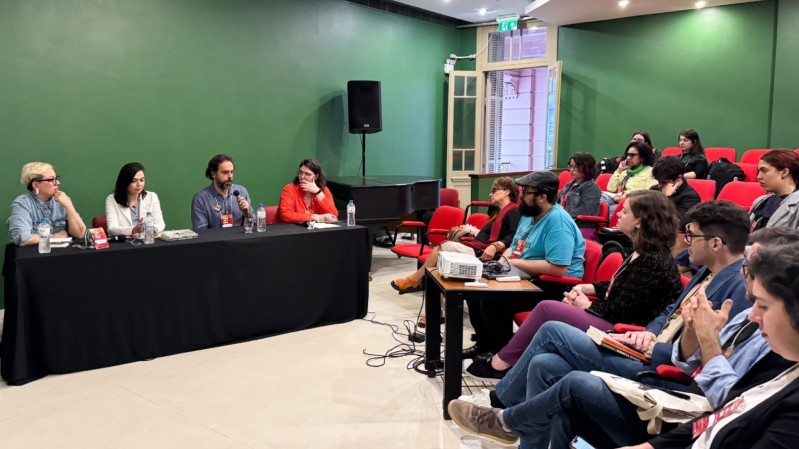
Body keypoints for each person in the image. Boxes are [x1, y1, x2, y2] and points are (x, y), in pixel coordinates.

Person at [447, 201, 758, 448]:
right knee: (544, 362)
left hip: (665, 372)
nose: (686, 242)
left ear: (716, 243)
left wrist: (656, 345)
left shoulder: (738, 289)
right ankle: (524, 439)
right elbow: (669, 312)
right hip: (646, 344)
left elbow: (710, 355)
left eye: (692, 235)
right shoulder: (707, 271)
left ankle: (502, 410)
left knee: (552, 327)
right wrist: (649, 334)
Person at [466, 190, 683, 379]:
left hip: (622, 332)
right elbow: (624, 286)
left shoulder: (653, 261)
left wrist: (584, 305)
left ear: (640, 221)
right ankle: (508, 362)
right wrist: (587, 288)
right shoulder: (642, 252)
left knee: (546, 308)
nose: (617, 214)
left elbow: (621, 314)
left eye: (625, 211)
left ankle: (500, 363)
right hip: (613, 319)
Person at [615, 243, 799, 449]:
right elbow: (723, 413)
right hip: (692, 416)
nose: (753, 314)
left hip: (691, 397)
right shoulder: (780, 360)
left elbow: (720, 399)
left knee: (577, 383)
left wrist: (709, 342)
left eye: (763, 306)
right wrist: (650, 447)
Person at [463, 170, 585, 360]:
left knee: (492, 301)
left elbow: (558, 268)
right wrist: (500, 264)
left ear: (542, 197)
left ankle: (502, 356)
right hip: (526, 271)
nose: (520, 196)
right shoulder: (529, 214)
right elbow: (515, 246)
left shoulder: (557, 222)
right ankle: (484, 343)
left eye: (526, 192)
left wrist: (515, 263)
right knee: (474, 290)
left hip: (555, 284)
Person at [390, 177, 520, 294]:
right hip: (476, 247)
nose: (490, 194)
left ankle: (415, 279)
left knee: (443, 248)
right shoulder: (497, 212)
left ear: (506, 192)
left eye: (494, 190)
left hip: (484, 252)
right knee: (443, 265)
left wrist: (495, 246)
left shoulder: (513, 211)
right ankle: (436, 309)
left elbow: (514, 236)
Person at [8, 162, 87, 246]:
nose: (57, 183)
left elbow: (80, 233)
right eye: (51, 179)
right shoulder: (22, 204)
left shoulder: (62, 200)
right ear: (36, 185)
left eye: (56, 178)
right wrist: (55, 236)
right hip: (36, 255)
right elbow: (23, 239)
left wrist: (68, 205)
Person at [191, 154, 252, 229]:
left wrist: (247, 214)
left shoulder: (241, 192)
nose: (230, 176)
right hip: (214, 240)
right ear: (213, 174)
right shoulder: (201, 199)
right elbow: (201, 232)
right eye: (225, 172)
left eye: (232, 172)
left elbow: (254, 225)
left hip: (240, 240)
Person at [105, 162, 165, 236]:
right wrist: (134, 230)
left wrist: (154, 229)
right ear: (124, 182)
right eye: (134, 181)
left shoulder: (152, 196)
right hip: (124, 244)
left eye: (142, 180)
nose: (139, 184)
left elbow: (160, 223)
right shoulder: (112, 199)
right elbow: (112, 229)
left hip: (147, 241)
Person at [749, 149, 799, 231]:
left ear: (784, 172)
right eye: (759, 171)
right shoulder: (760, 201)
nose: (758, 177)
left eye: (764, 171)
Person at [277, 158, 338, 224]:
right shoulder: (289, 189)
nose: (302, 177)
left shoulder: (324, 191)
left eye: (307, 174)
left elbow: (334, 215)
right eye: (300, 173)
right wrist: (315, 218)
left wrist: (318, 192)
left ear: (316, 177)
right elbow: (286, 215)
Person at [558, 152, 601, 240]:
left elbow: (586, 210)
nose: (571, 170)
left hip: (581, 226)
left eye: (576, 167)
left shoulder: (591, 187)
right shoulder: (569, 184)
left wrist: (562, 215)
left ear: (586, 168)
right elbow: (557, 202)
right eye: (570, 166)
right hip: (566, 222)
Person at [650, 156, 701, 228]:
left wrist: (666, 197)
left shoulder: (690, 197)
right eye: (658, 181)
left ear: (678, 178)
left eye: (664, 182)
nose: (659, 186)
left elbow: (676, 223)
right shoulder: (654, 189)